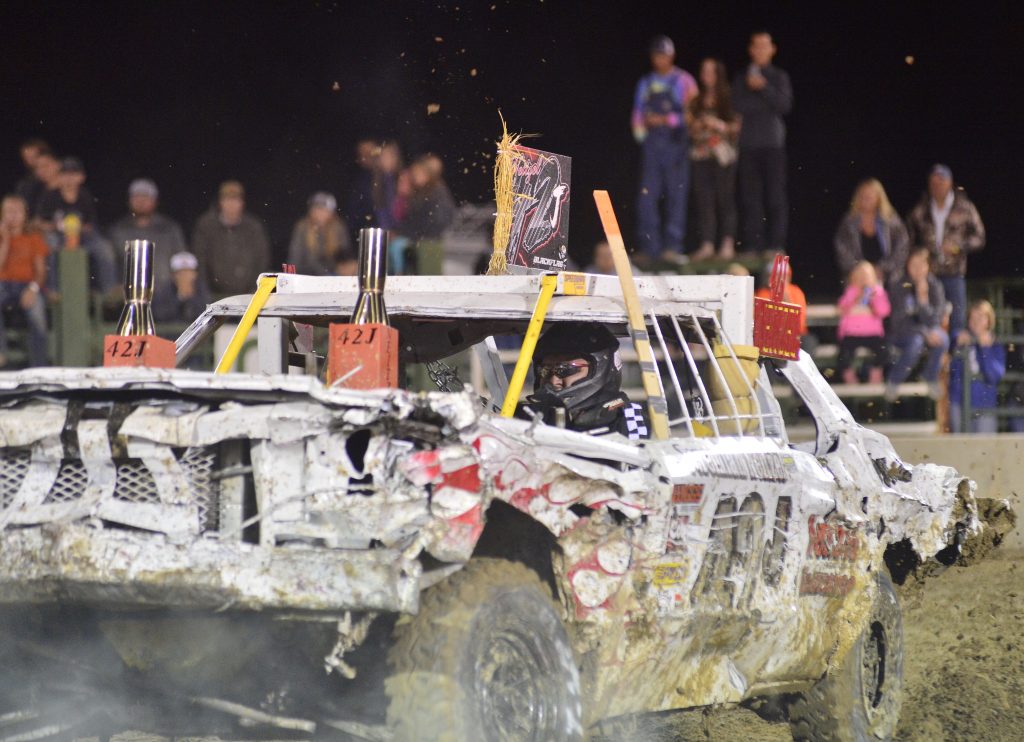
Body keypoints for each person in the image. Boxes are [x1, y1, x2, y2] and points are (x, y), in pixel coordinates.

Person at [631, 35, 698, 264]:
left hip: (676, 145)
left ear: (672, 56)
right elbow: (638, 113)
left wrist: (666, 120)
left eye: (664, 55)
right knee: (647, 196)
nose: (660, 59)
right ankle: (650, 248)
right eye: (657, 55)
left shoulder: (684, 81)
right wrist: (642, 134)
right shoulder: (646, 82)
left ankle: (673, 246)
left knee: (676, 195)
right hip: (653, 146)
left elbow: (694, 114)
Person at [527, 322, 649, 439]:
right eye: (544, 370)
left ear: (601, 367)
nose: (554, 381)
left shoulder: (628, 419)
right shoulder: (527, 416)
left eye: (566, 369)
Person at [905, 164, 985, 342]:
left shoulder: (964, 207)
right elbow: (907, 235)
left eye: (941, 181)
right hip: (929, 275)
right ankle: (931, 367)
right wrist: (917, 255)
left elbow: (980, 237)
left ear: (950, 182)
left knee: (957, 323)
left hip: (954, 274)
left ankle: (955, 367)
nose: (937, 185)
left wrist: (958, 247)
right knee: (928, 321)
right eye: (933, 182)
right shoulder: (921, 209)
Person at [732, 31, 793, 254]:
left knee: (776, 196)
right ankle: (753, 245)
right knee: (750, 198)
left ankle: (776, 244)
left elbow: (784, 104)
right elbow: (738, 105)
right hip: (748, 145)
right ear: (750, 50)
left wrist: (763, 88)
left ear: (772, 49)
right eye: (755, 46)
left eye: (764, 46)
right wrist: (762, 99)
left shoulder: (779, 77)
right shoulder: (741, 78)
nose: (759, 50)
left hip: (773, 145)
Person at [36, 157, 117, 293]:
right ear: (59, 177)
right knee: (48, 246)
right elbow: (40, 222)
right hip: (57, 235)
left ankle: (109, 290)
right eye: (65, 174)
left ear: (81, 177)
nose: (69, 179)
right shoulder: (50, 196)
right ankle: (53, 290)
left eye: (73, 175)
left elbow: (90, 224)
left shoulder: (85, 196)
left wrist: (76, 229)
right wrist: (56, 226)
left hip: (81, 236)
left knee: (104, 248)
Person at [688, 58, 740, 261]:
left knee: (725, 197)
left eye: (711, 71)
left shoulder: (728, 97)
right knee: (704, 199)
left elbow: (737, 126)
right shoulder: (697, 99)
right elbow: (690, 126)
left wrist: (718, 125)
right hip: (701, 154)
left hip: (723, 155)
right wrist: (700, 124)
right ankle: (707, 244)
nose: (706, 75)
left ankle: (727, 242)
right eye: (704, 71)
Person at [108, 179, 188, 299]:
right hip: (130, 295)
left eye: (145, 197)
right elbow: (111, 264)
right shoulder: (118, 230)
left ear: (155, 201)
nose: (141, 201)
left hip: (166, 293)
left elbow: (182, 258)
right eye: (136, 197)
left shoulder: (169, 229)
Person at [886, 248, 948, 401]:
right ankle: (894, 380)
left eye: (922, 265)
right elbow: (897, 321)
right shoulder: (898, 284)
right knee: (916, 342)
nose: (918, 269)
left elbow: (936, 319)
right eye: (914, 264)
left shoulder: (935, 286)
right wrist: (924, 332)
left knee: (943, 339)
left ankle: (930, 375)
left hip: (926, 331)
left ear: (928, 266)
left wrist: (923, 301)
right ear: (907, 265)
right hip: (901, 334)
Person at [192, 180, 271, 297]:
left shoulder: (253, 227)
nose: (232, 204)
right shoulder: (206, 226)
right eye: (228, 200)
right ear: (220, 202)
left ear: (242, 203)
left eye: (236, 200)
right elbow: (200, 260)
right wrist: (206, 292)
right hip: (214, 296)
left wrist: (254, 290)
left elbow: (262, 260)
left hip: (247, 296)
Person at [0, 195, 48, 367]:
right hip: (3, 284)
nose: (13, 216)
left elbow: (41, 271)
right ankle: (1, 354)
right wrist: (5, 240)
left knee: (37, 313)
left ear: (24, 215)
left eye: (17, 211)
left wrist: (33, 289)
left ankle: (39, 365)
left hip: (26, 285)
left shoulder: (33, 238)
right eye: (8, 211)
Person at [834, 178, 909, 287]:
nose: (866, 198)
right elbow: (841, 249)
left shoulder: (891, 221)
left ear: (879, 198)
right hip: (857, 279)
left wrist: (882, 269)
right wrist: (862, 270)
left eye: (870, 195)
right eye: (863, 195)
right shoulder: (848, 223)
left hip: (889, 279)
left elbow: (902, 247)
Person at [949, 300, 1005, 433]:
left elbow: (994, 376)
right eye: (972, 317)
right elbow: (949, 347)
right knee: (958, 447)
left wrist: (985, 348)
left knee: (984, 450)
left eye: (980, 317)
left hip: (985, 404)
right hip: (959, 401)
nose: (976, 321)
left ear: (989, 321)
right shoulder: (961, 337)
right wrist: (957, 342)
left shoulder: (995, 345)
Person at [836, 262, 890, 385]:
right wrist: (855, 299)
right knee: (843, 356)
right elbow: (841, 308)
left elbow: (884, 311)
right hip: (852, 334)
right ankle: (850, 378)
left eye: (866, 276)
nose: (863, 279)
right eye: (860, 276)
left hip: (873, 335)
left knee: (884, 352)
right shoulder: (850, 291)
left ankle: (875, 374)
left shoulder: (878, 292)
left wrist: (873, 301)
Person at [288, 192, 353, 276]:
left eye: (325, 210)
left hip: (333, 275)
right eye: (317, 209)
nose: (320, 213)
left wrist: (344, 267)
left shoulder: (338, 228)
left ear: (332, 213)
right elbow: (294, 259)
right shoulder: (302, 228)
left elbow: (344, 256)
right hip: (306, 275)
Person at [754, 260, 814, 353]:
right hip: (772, 336)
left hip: (794, 335)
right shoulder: (762, 293)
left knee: (809, 341)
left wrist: (786, 298)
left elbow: (799, 323)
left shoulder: (796, 291)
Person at [14, 138, 49, 214]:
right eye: (27, 158)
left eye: (34, 156)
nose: (31, 161)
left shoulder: (62, 177)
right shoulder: (25, 184)